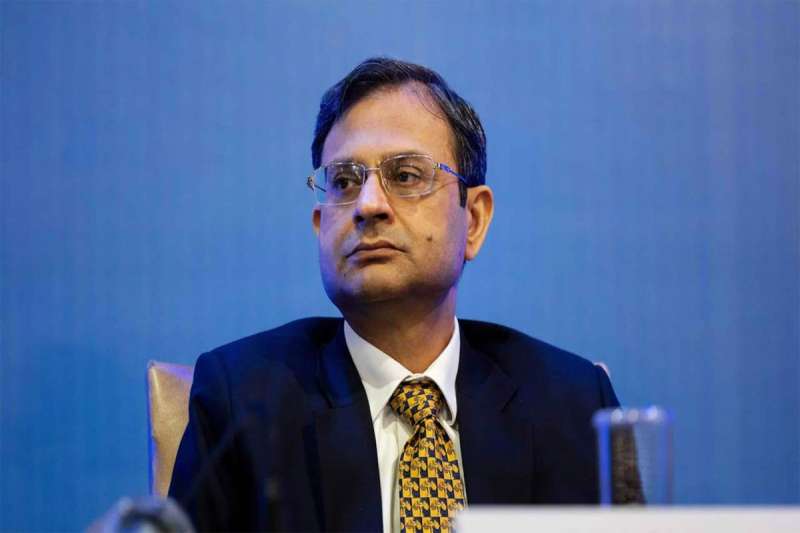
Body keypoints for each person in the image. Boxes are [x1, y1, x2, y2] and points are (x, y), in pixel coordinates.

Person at [169, 57, 622, 532]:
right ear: (321, 226)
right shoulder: (244, 404)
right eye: (344, 181)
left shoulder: (573, 406)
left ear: (473, 220)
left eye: (405, 176)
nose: (368, 205)